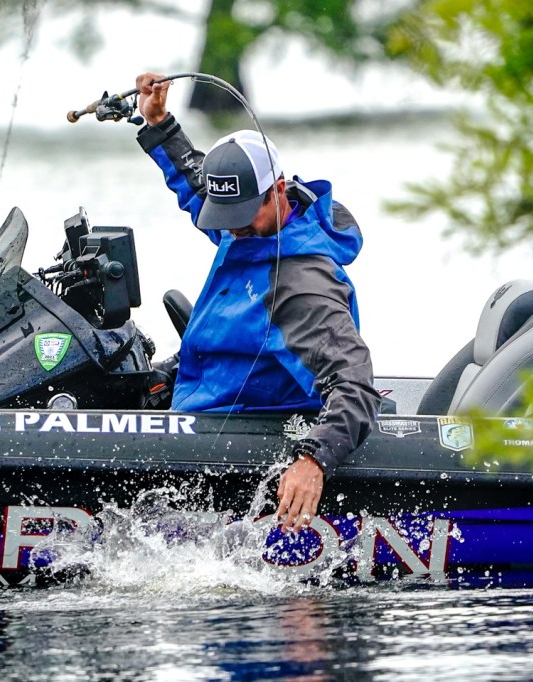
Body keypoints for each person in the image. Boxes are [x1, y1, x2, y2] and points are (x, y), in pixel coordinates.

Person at [134, 72, 380, 532]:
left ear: (278, 192)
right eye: (226, 216)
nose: (233, 228)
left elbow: (355, 385)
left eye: (244, 217)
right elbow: (198, 185)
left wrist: (313, 461)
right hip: (201, 398)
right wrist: (161, 124)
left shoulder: (301, 287)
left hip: (241, 432)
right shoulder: (247, 224)